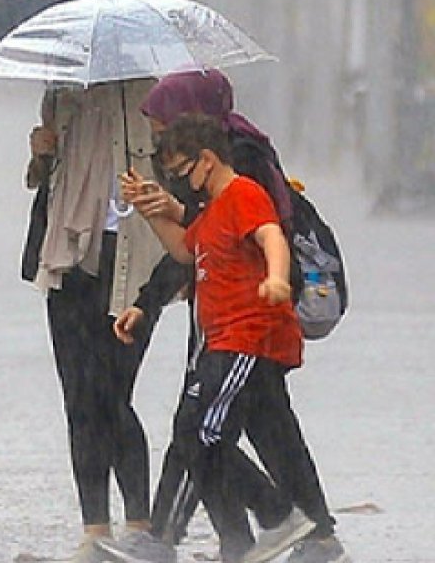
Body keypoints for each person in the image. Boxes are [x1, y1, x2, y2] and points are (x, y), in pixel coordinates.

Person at [113, 113, 348, 563]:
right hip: (223, 339)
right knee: (197, 436)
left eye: (183, 172)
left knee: (204, 433)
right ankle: (241, 541)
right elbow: (184, 249)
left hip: (245, 337)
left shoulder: (242, 193)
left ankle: (279, 515)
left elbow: (271, 236)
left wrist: (278, 278)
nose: (183, 183)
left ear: (206, 160)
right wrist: (149, 210)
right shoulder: (212, 211)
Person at [21, 80, 167, 563]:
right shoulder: (61, 93)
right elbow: (42, 181)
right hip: (68, 259)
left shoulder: (151, 97)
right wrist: (41, 154)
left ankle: (140, 526)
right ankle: (95, 530)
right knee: (79, 398)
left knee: (112, 395)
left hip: (132, 263)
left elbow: (177, 177)